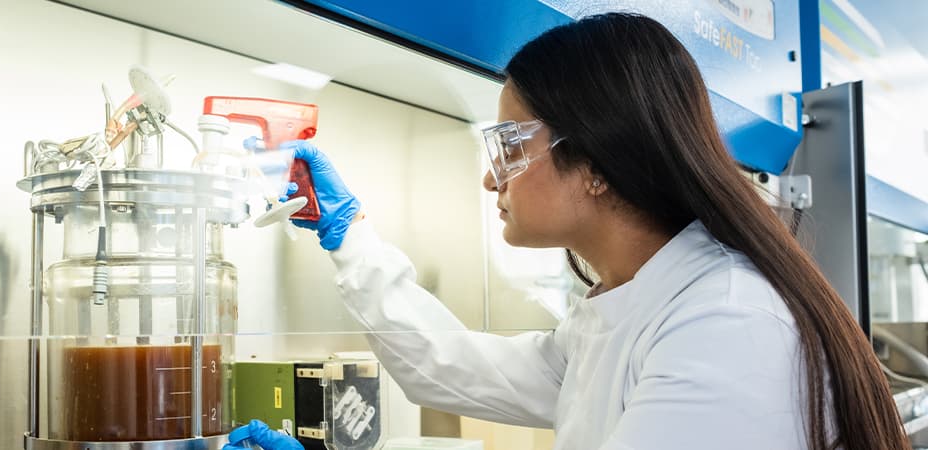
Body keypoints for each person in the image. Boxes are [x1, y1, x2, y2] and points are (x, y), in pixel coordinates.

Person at [224, 12, 909, 450]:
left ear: (596, 165)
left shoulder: (724, 324)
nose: (492, 180)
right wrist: (351, 240)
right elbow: (454, 368)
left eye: (510, 147)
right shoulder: (623, 314)